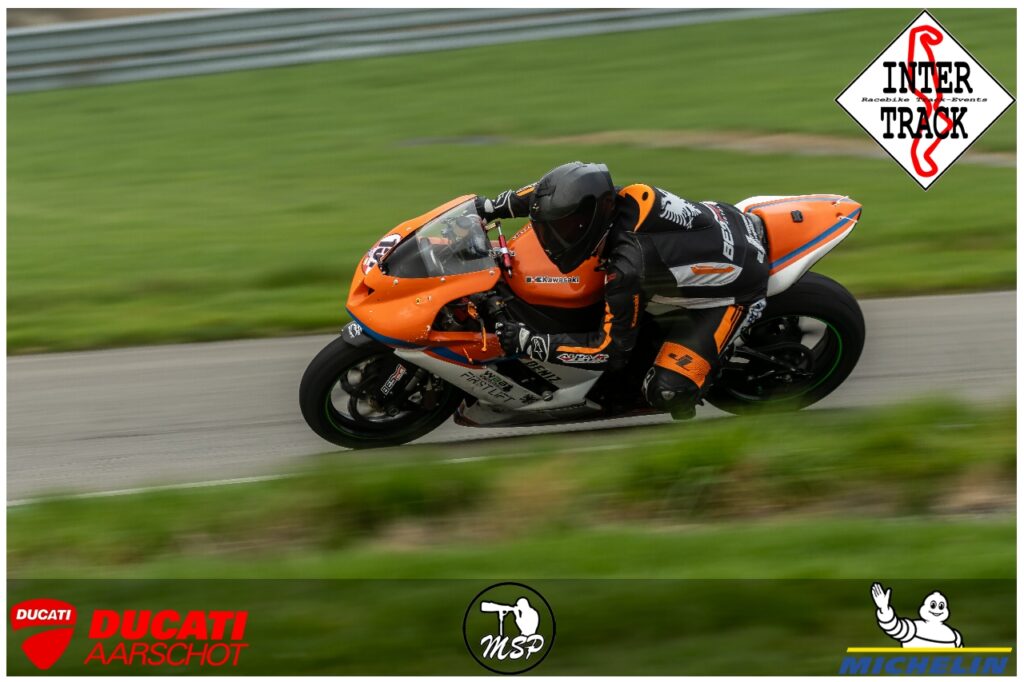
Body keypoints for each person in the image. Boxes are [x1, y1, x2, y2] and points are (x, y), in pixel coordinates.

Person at [476, 161, 769, 420]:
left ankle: (706, 368)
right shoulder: (614, 199)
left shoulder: (628, 268)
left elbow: (609, 351)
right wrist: (494, 207)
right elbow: (549, 197)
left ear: (588, 221)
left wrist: (529, 342)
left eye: (565, 228)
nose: (552, 237)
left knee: (666, 391)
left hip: (740, 287)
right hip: (723, 225)